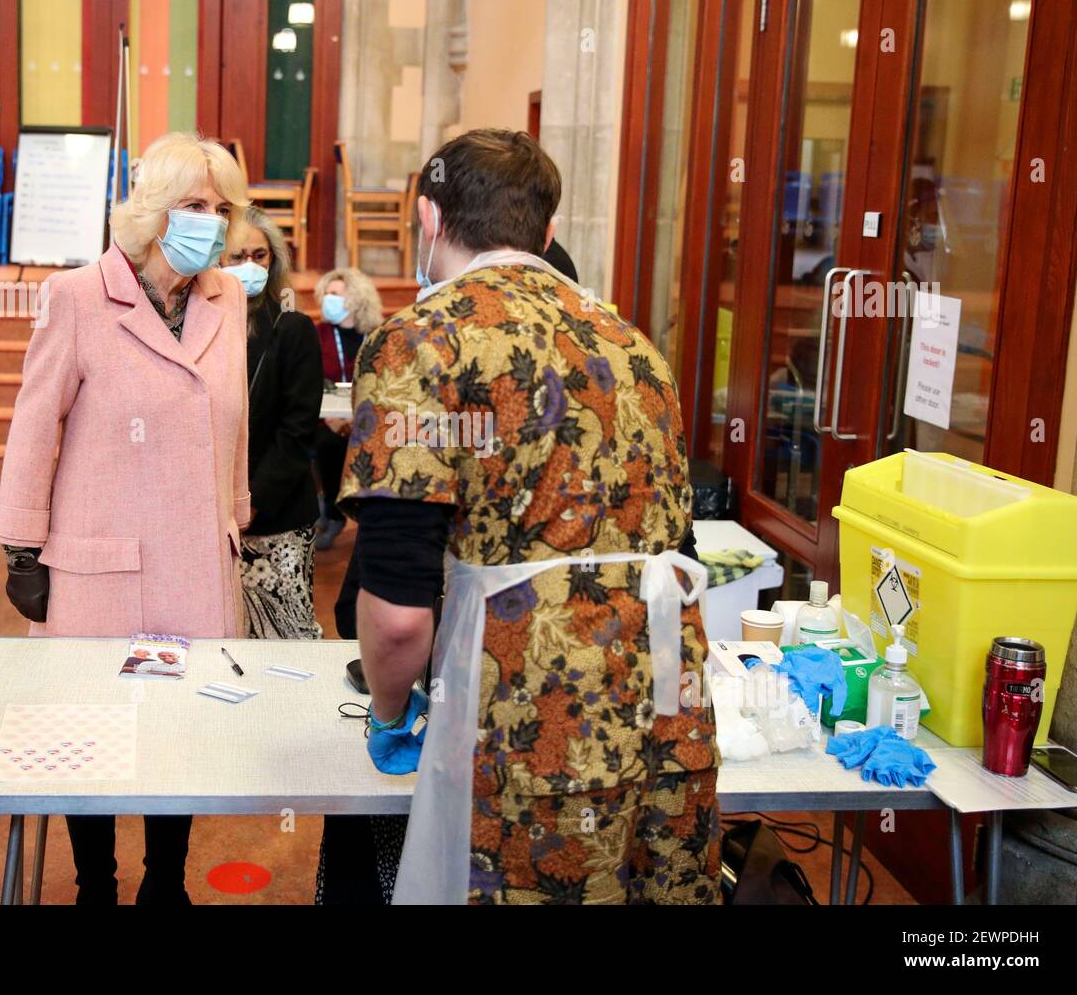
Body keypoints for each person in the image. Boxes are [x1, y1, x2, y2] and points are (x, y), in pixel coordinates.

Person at [337, 128, 720, 905]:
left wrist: (388, 712)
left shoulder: (420, 344)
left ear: (427, 218)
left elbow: (399, 615)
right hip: (666, 716)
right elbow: (679, 553)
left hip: (526, 723)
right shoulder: (635, 347)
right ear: (547, 235)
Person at [0, 131, 251, 905]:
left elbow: (230, 422)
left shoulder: (226, 296)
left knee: (181, 733)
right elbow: (35, 425)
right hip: (98, 564)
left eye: (220, 206)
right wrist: (20, 547)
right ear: (152, 212)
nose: (211, 220)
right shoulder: (77, 296)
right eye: (193, 205)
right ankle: (95, 884)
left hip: (198, 564)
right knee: (88, 733)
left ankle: (164, 883)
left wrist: (234, 518)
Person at [223, 206, 324, 639]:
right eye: (237, 256)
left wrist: (252, 501)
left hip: (276, 516)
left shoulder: (293, 329)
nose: (250, 266)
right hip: (213, 517)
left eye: (260, 256)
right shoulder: (195, 327)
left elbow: (298, 431)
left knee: (286, 640)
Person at [310, 267, 383, 550]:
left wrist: (359, 418)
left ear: (355, 299)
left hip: (368, 416)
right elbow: (311, 379)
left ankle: (348, 509)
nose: (328, 300)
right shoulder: (319, 333)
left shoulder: (377, 334)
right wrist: (331, 417)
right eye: (326, 294)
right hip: (327, 416)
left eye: (335, 295)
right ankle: (331, 510)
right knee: (327, 444)